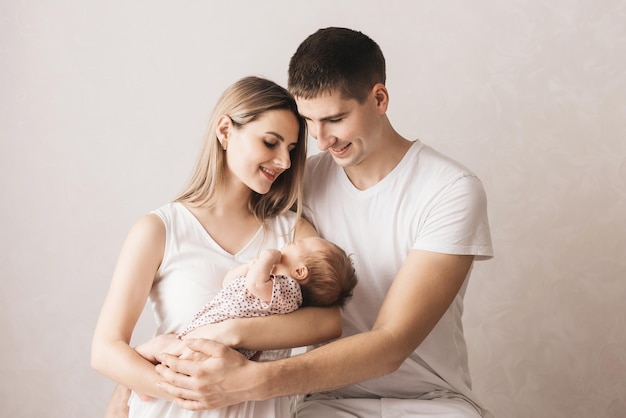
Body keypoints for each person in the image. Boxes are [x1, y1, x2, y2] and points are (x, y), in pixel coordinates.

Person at [111, 27, 495, 417]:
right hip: (320, 399)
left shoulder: (450, 190)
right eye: (309, 122)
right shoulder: (297, 182)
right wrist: (129, 385)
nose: (322, 139)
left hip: (428, 401)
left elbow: (390, 344)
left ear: (379, 99)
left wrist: (246, 376)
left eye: (335, 119)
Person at [91, 75, 347, 418]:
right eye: (271, 143)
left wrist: (229, 333)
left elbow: (328, 322)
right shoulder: (159, 230)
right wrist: (195, 387)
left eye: (290, 149)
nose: (285, 163)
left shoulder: (293, 233)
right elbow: (105, 351)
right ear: (225, 130)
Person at [136, 236, 357, 362]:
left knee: (170, 350)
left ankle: (140, 374)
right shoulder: (269, 279)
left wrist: (267, 256)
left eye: (299, 244)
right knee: (174, 352)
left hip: (215, 339)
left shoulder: (289, 293)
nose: (292, 242)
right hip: (211, 326)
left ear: (300, 272)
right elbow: (229, 282)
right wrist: (250, 267)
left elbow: (254, 285)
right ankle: (143, 378)